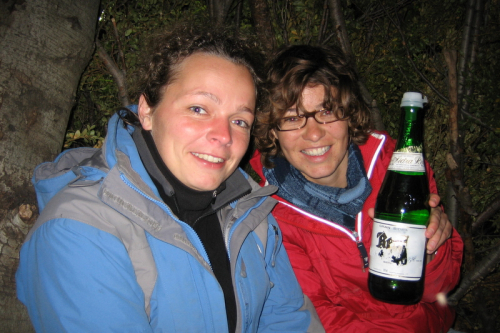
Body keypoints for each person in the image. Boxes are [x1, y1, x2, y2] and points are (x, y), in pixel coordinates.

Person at [16, 27, 324, 333]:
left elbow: (289, 320)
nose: (224, 135)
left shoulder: (250, 214)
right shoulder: (79, 229)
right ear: (147, 110)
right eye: (199, 109)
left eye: (239, 120)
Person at [250, 44, 463, 332]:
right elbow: (315, 315)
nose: (313, 133)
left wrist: (431, 250)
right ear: (272, 131)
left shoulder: (401, 169)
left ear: (349, 115)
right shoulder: (268, 214)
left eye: (327, 111)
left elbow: (441, 288)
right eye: (292, 118)